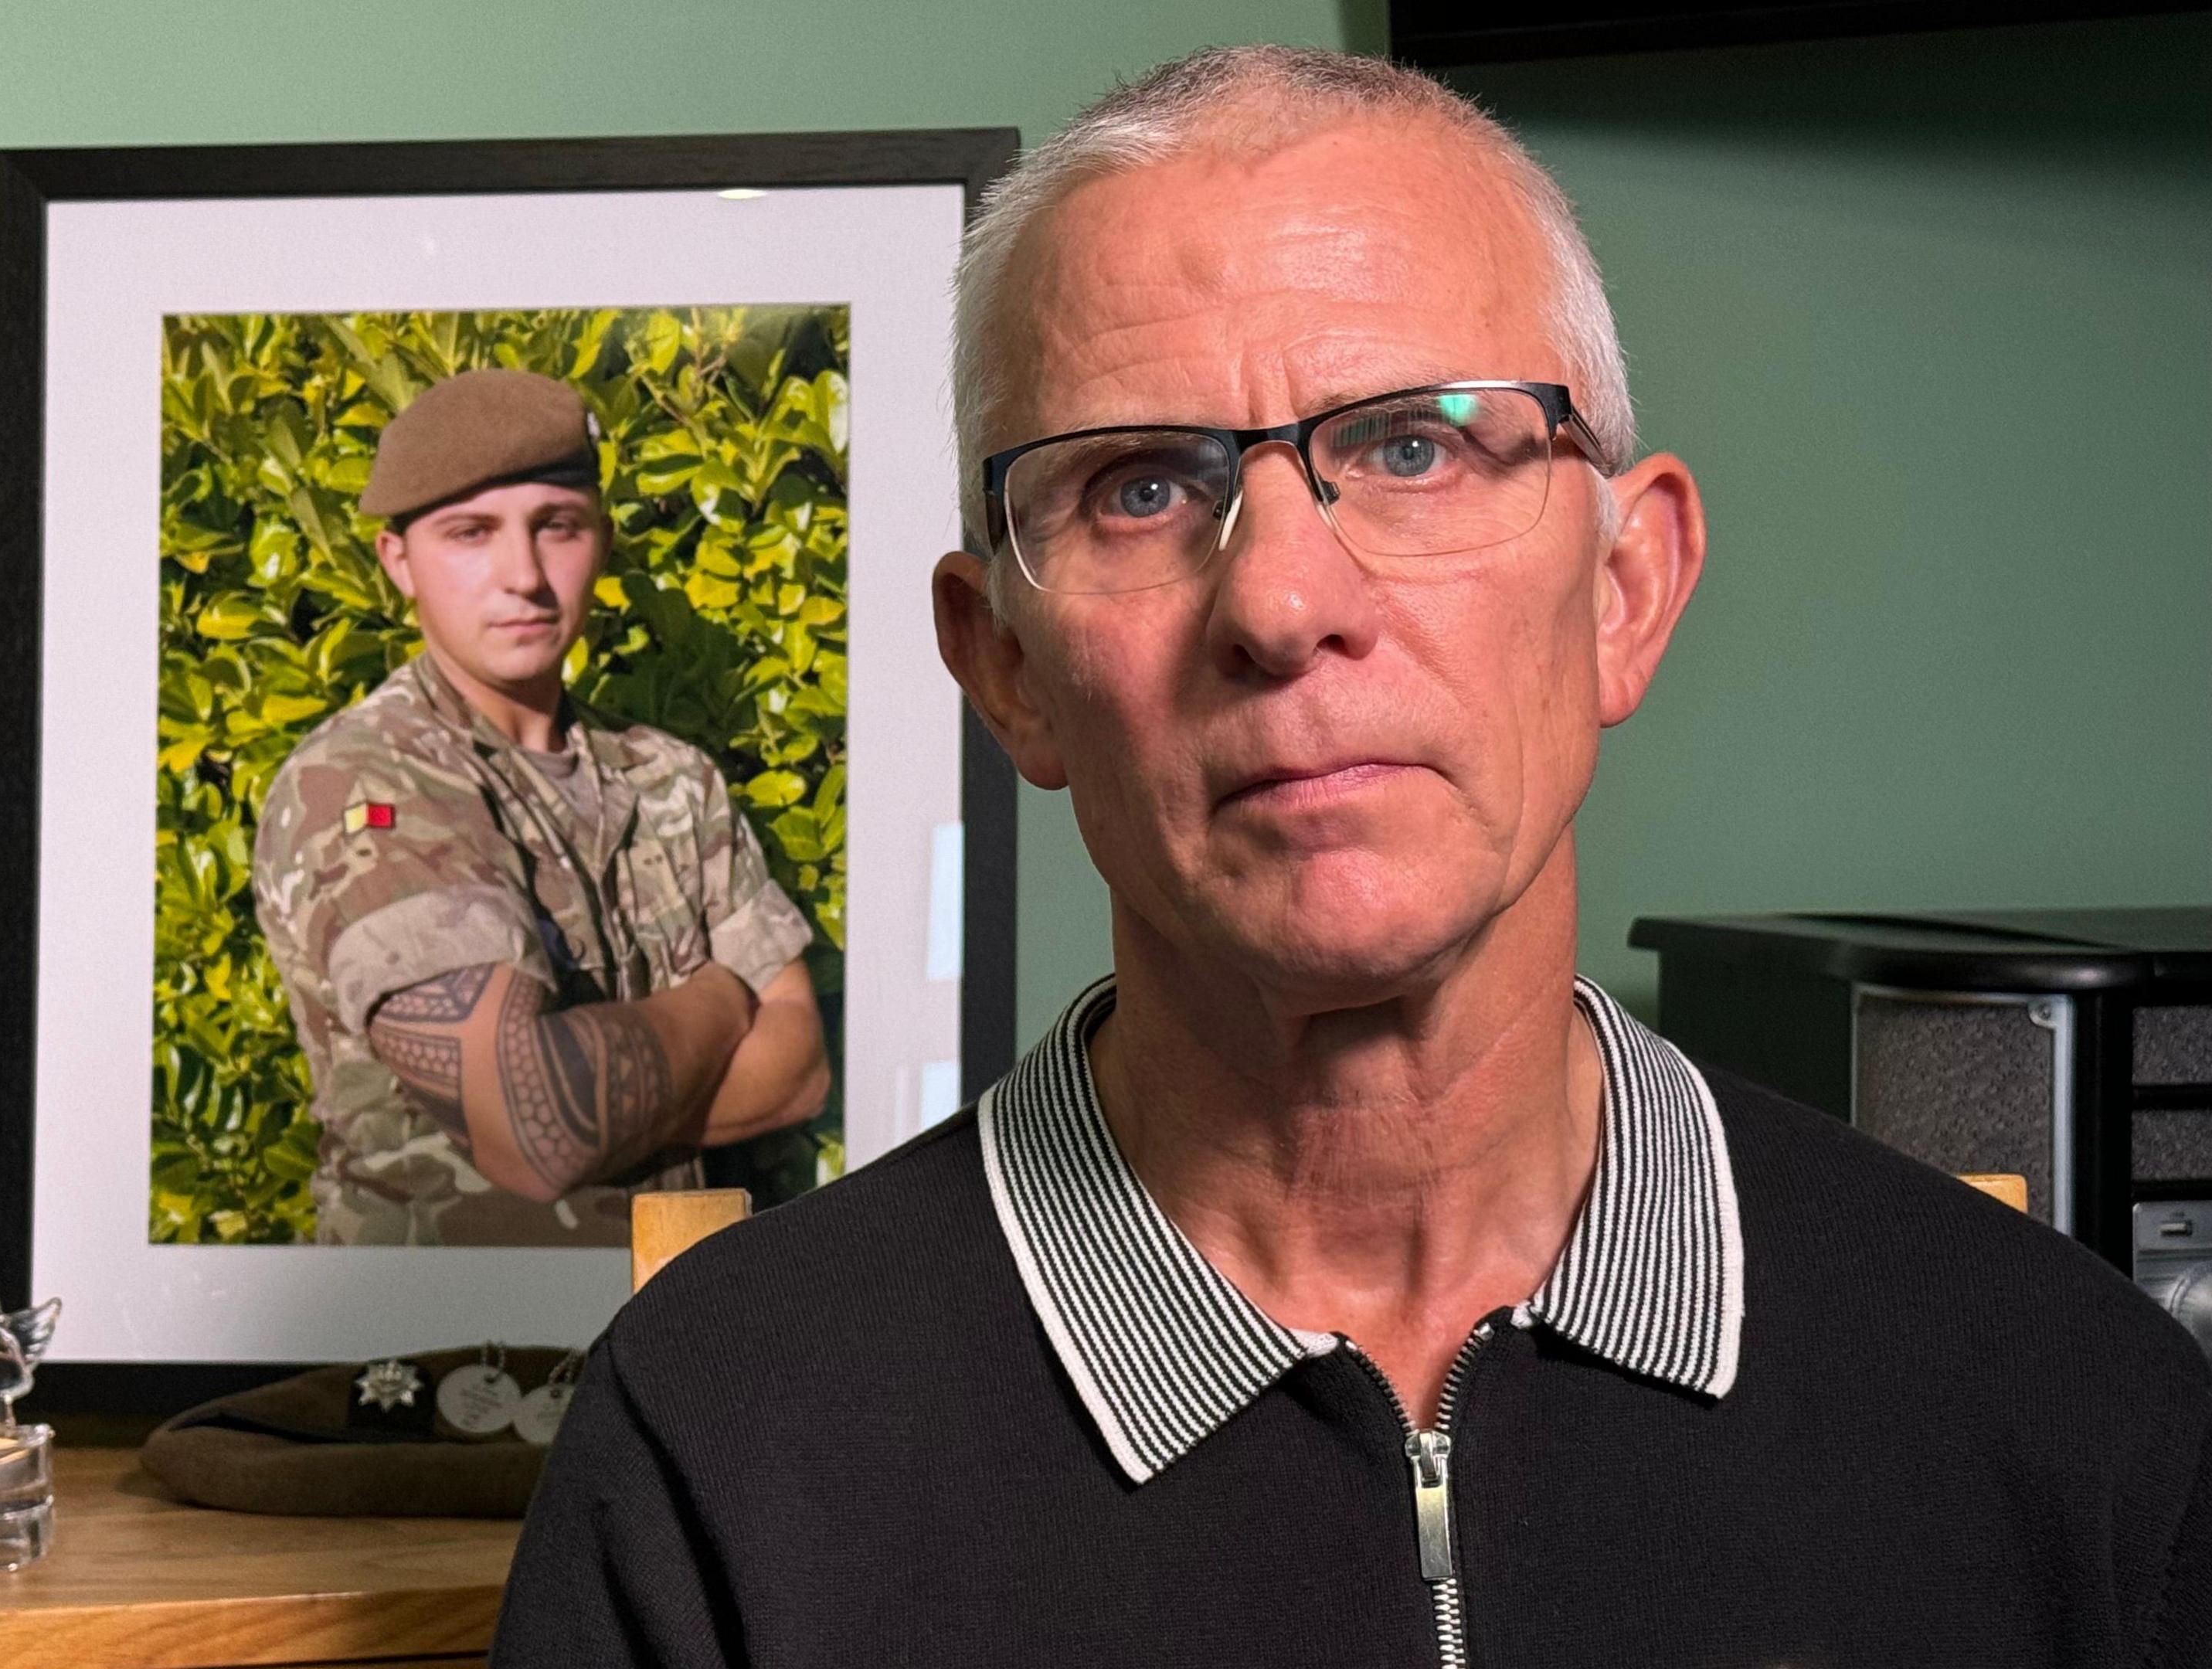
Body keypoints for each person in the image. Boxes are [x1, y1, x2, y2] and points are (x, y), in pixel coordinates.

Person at [494, 45, 2210, 1667]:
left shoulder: (2073, 1414)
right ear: (1006, 670)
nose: (1285, 603)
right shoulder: (720, 1447)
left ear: (1626, 593)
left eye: (1414, 447)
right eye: (1141, 488)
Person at [253, 368, 832, 1248]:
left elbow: (799, 1073)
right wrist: (721, 1000)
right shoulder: (364, 781)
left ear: (598, 538)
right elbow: (534, 1129)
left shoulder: (671, 777)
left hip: (668, 1321)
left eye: (556, 526)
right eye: (470, 533)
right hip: (449, 1350)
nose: (523, 575)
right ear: (398, 561)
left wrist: (600, 1099)